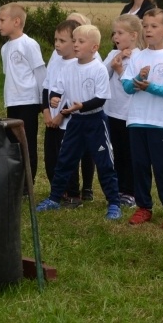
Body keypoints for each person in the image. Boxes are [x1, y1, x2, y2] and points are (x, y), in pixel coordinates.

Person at [35, 25, 122, 221]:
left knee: (104, 163)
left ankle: (114, 204)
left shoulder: (99, 69)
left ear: (94, 47)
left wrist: (80, 106)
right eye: (74, 40)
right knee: (64, 160)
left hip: (95, 122)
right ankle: (54, 198)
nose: (75, 44)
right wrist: (54, 99)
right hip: (75, 123)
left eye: (81, 41)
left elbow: (101, 98)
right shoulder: (68, 67)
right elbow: (56, 89)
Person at [121, 8, 163, 228]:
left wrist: (151, 87)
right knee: (139, 166)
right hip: (137, 120)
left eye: (154, 26)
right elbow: (127, 87)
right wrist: (139, 79)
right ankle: (143, 207)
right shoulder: (137, 55)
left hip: (160, 122)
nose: (148, 30)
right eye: (145, 26)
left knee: (162, 167)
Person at [0, 2, 46, 183]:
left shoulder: (29, 44)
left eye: (2, 20)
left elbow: (40, 72)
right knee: (13, 141)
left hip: (29, 100)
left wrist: (44, 100)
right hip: (12, 101)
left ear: (16, 21)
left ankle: (28, 183)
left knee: (28, 142)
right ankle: (17, 179)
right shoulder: (5, 48)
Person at [103, 14, 145, 208]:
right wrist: (115, 61)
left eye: (120, 33)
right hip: (112, 111)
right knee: (117, 151)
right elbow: (101, 76)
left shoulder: (140, 57)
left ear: (133, 35)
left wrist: (120, 70)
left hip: (129, 113)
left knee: (130, 153)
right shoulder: (113, 55)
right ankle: (119, 188)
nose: (115, 37)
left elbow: (133, 84)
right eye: (114, 33)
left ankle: (131, 191)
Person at [41, 19, 83, 208]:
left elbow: (74, 95)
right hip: (51, 119)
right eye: (55, 40)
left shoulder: (78, 65)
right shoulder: (55, 60)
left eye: (62, 40)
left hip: (68, 122)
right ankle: (57, 191)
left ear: (74, 43)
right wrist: (46, 112)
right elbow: (46, 87)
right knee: (51, 157)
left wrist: (61, 115)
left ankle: (73, 194)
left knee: (67, 158)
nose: (57, 44)